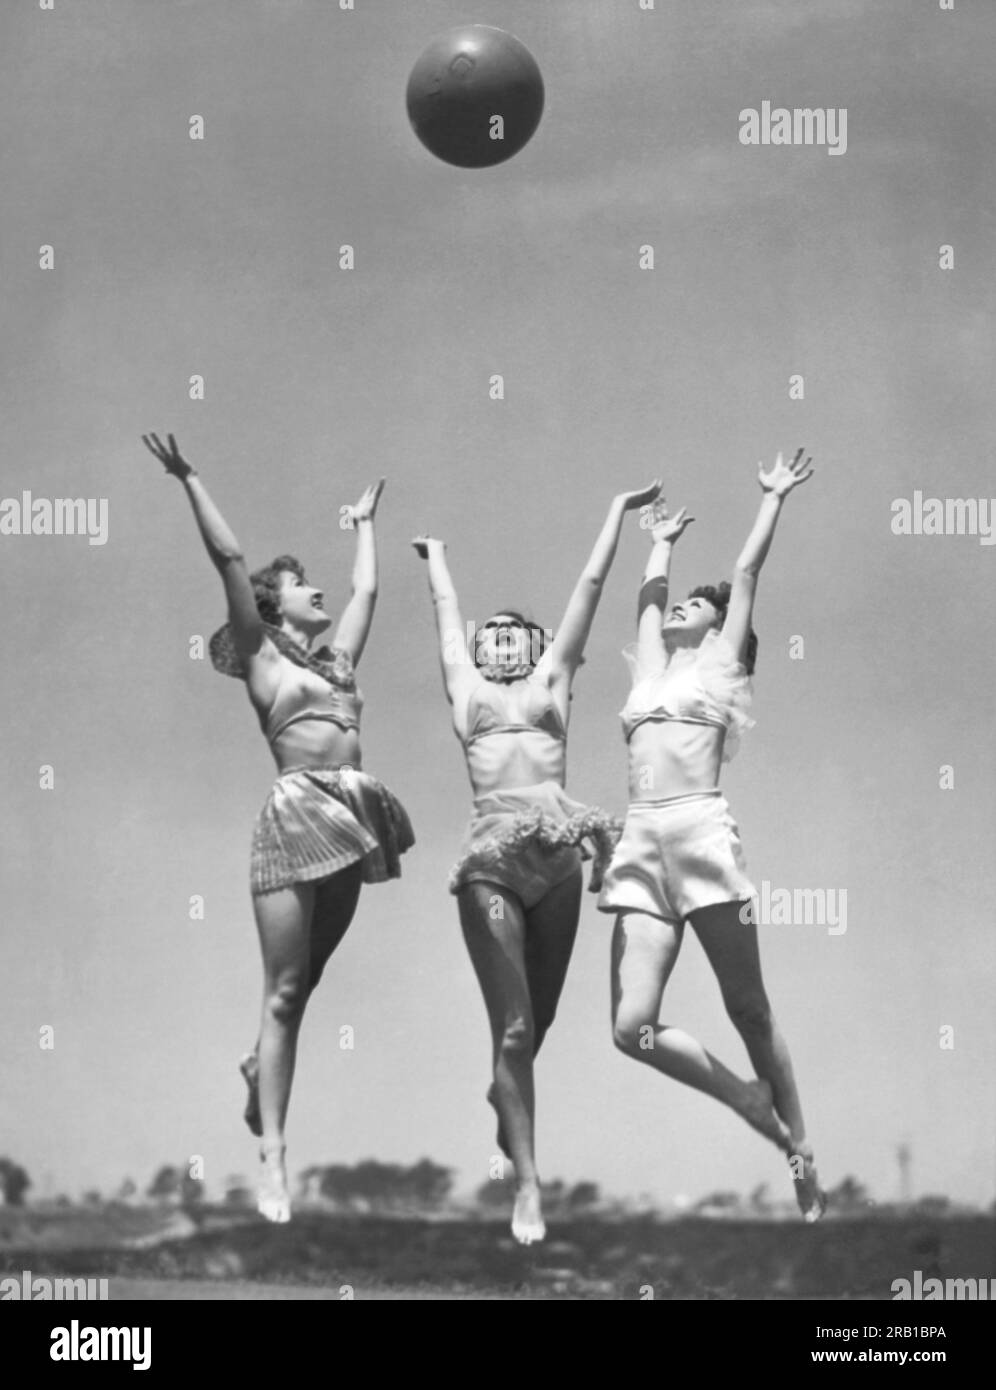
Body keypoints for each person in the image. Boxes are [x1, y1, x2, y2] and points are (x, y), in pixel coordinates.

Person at [141, 432, 413, 1223]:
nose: (318, 591)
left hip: (355, 815)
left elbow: (367, 597)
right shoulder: (263, 658)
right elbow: (229, 560)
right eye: (303, 585)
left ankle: (257, 1064)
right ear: (275, 604)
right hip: (295, 815)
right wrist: (190, 476)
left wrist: (365, 523)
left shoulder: (338, 664)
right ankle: (274, 1158)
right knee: (286, 989)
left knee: (312, 979)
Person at [412, 480, 658, 1243]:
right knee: (514, 1032)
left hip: (558, 853)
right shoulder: (467, 693)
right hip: (491, 857)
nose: (504, 641)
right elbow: (446, 623)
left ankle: (504, 1100)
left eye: (520, 633)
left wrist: (615, 510)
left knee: (540, 1019)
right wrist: (438, 561)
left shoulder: (556, 682)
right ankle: (528, 1183)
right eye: (497, 634)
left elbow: (590, 587)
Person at [599, 450, 826, 1221]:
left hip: (698, 831)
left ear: (721, 628)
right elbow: (643, 601)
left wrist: (772, 499)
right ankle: (742, 1099)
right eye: (680, 604)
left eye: (695, 606)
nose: (678, 609)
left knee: (750, 1010)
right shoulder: (650, 672)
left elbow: (746, 573)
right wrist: (657, 541)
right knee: (632, 1030)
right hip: (639, 846)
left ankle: (800, 1149)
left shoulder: (721, 668)